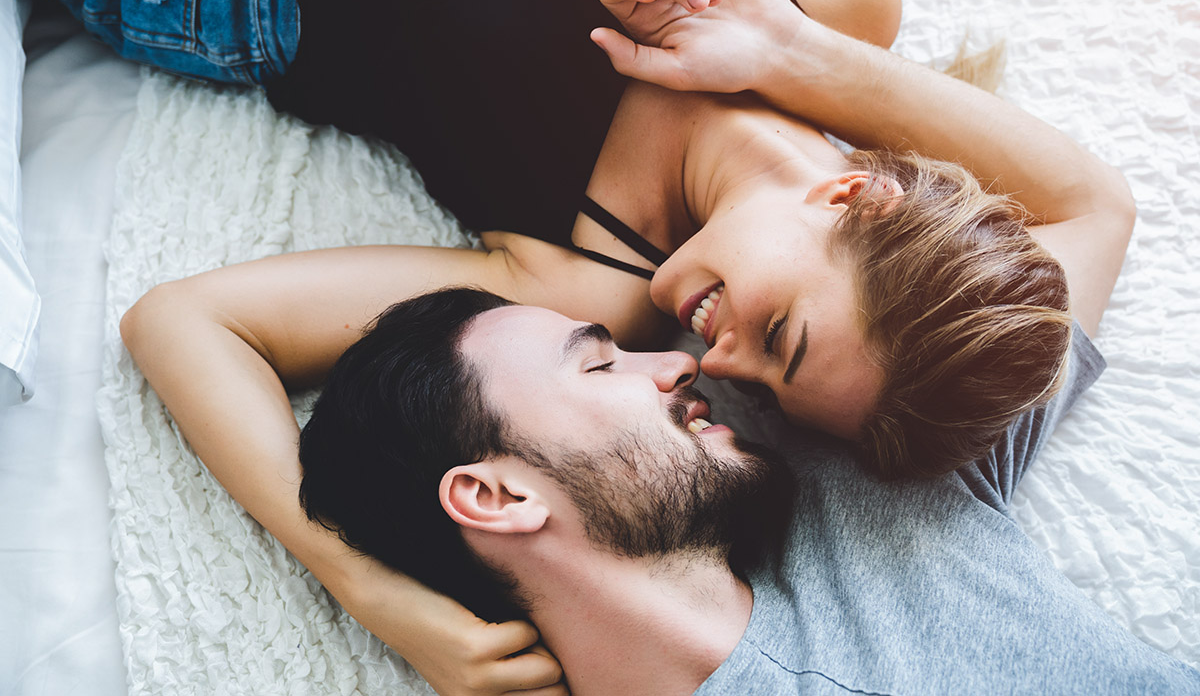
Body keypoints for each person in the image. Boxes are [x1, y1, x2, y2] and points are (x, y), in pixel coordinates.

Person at [1, 0, 1136, 477]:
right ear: (853, 200)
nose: (721, 364)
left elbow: (185, 324)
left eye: (768, 393)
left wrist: (375, 589)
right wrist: (790, 48)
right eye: (779, 336)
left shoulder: (585, 284)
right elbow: (1098, 204)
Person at [295, 286, 1200, 694]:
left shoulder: (863, 467)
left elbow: (1085, 212)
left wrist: (795, 51)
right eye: (600, 363)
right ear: (494, 498)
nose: (676, 363)